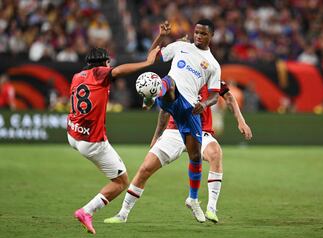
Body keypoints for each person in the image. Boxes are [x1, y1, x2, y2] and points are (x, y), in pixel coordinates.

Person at [105, 19, 222, 223]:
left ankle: (193, 200)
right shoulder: (180, 46)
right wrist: (161, 36)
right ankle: (122, 214)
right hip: (171, 97)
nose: (198, 36)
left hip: (189, 111)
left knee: (195, 158)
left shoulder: (212, 64)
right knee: (145, 168)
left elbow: (214, 95)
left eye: (203, 34)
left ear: (211, 36)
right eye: (196, 32)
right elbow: (151, 57)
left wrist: (204, 105)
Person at [104, 80, 252, 224]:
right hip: (174, 131)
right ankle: (123, 214)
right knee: (145, 169)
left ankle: (211, 208)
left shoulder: (210, 75)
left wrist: (241, 121)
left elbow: (228, 96)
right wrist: (157, 136)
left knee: (215, 153)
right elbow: (164, 109)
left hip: (201, 131)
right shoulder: (179, 77)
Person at [67, 46, 159, 235]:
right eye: (108, 61)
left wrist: (156, 43)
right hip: (91, 141)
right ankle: (86, 212)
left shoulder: (77, 76)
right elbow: (117, 71)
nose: (110, 65)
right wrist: (148, 63)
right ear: (103, 63)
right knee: (121, 182)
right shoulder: (100, 73)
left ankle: (87, 212)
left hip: (73, 134)